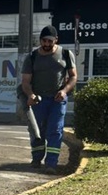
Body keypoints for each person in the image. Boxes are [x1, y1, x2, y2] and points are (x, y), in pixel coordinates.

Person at [20, 25, 77, 170]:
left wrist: (64, 91)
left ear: (56, 40)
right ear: (40, 40)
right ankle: (36, 159)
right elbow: (25, 82)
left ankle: (51, 163)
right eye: (44, 41)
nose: (46, 44)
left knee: (55, 130)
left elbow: (73, 76)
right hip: (38, 100)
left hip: (57, 100)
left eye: (50, 41)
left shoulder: (65, 54)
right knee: (37, 131)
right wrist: (30, 94)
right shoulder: (32, 57)